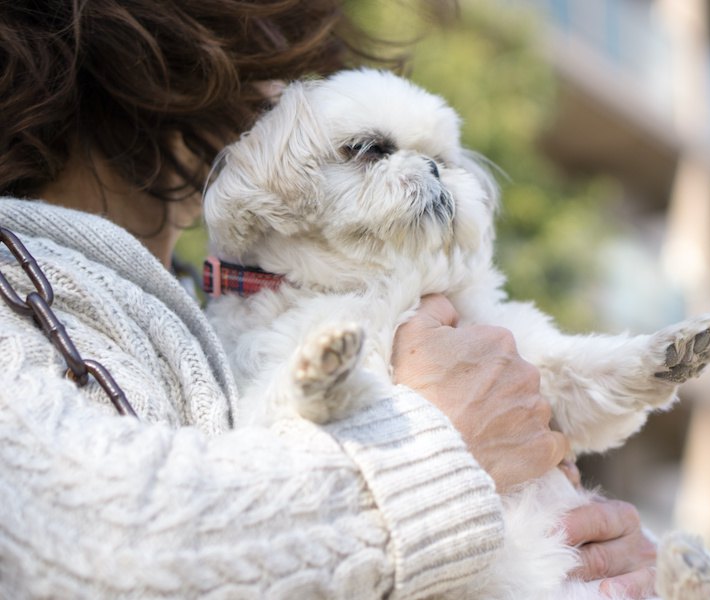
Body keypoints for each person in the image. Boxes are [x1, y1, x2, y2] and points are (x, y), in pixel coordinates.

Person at [0, 1, 657, 597]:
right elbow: (81, 542)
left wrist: (598, 554)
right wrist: (436, 457)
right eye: (275, 46)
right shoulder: (24, 290)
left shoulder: (202, 302)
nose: (289, 88)